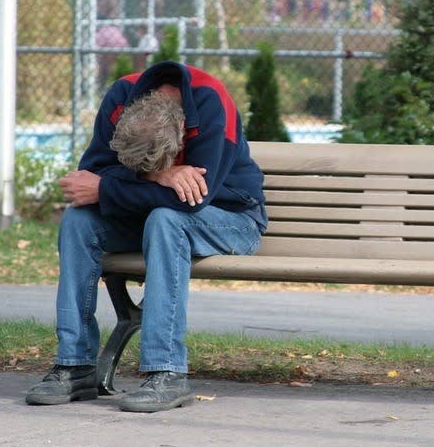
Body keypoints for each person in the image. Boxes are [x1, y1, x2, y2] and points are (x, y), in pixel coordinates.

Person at [26, 60, 268, 413]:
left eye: (154, 166)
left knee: (167, 219)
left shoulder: (212, 101)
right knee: (78, 220)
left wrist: (112, 186)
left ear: (183, 130)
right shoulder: (121, 95)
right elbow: (90, 174)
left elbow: (192, 198)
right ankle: (74, 365)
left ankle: (167, 373)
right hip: (153, 214)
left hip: (232, 218)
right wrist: (157, 177)